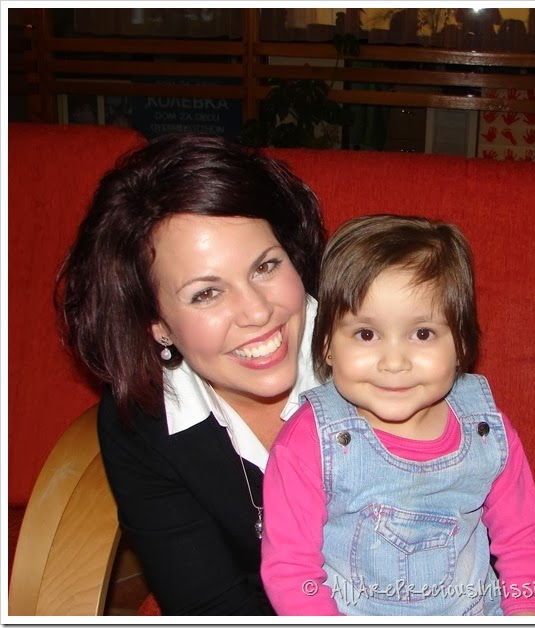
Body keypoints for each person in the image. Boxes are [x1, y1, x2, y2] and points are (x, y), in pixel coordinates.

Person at [54, 133, 326, 615]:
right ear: (157, 324)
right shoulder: (142, 421)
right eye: (206, 293)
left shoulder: (387, 358)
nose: (258, 312)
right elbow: (208, 603)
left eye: (265, 266)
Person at [261, 214, 535, 616]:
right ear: (327, 344)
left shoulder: (486, 430)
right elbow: (292, 571)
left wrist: (527, 613)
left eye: (422, 334)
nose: (394, 362)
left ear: (461, 345)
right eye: (366, 334)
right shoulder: (310, 441)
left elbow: (524, 538)